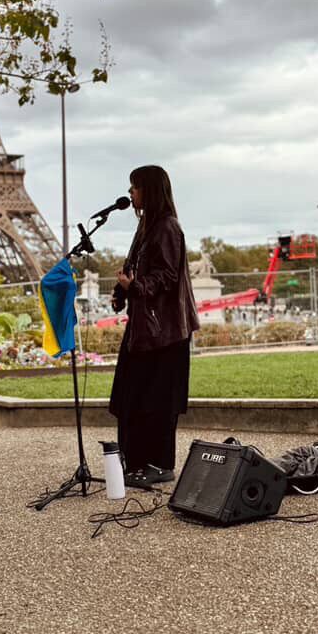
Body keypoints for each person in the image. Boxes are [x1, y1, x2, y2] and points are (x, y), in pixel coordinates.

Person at [109, 165, 200, 487]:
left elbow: (166, 276)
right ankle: (136, 460)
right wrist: (123, 290)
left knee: (157, 400)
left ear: (150, 190)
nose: (131, 193)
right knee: (131, 396)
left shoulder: (167, 227)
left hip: (165, 332)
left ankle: (159, 464)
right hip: (147, 330)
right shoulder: (148, 227)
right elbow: (139, 271)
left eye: (135, 187)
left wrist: (135, 287)